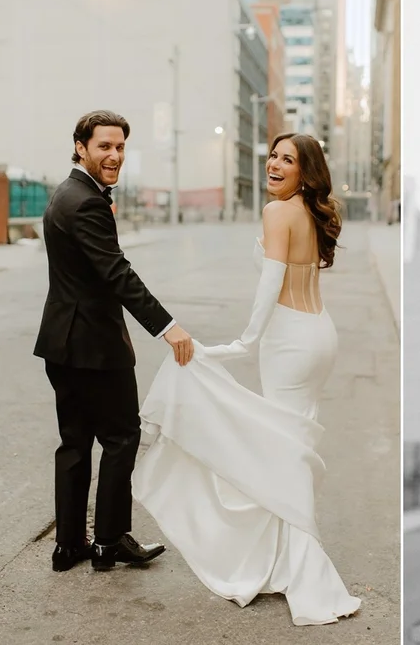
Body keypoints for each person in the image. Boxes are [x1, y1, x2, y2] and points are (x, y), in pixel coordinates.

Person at [133, 133, 362, 626]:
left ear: (307, 171)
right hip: (318, 334)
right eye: (273, 156)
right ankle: (284, 560)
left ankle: (306, 572)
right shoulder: (310, 210)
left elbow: (270, 282)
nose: (275, 165)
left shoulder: (278, 212)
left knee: (282, 453)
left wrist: (245, 341)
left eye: (288, 160)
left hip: (288, 342)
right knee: (290, 444)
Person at [34, 110, 194, 573]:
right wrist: (167, 326)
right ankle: (107, 542)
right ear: (81, 146)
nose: (114, 155)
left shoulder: (67, 193)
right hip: (95, 346)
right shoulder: (86, 201)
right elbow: (116, 272)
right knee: (122, 437)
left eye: (120, 147)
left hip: (62, 344)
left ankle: (68, 546)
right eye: (104, 146)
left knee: (75, 443)